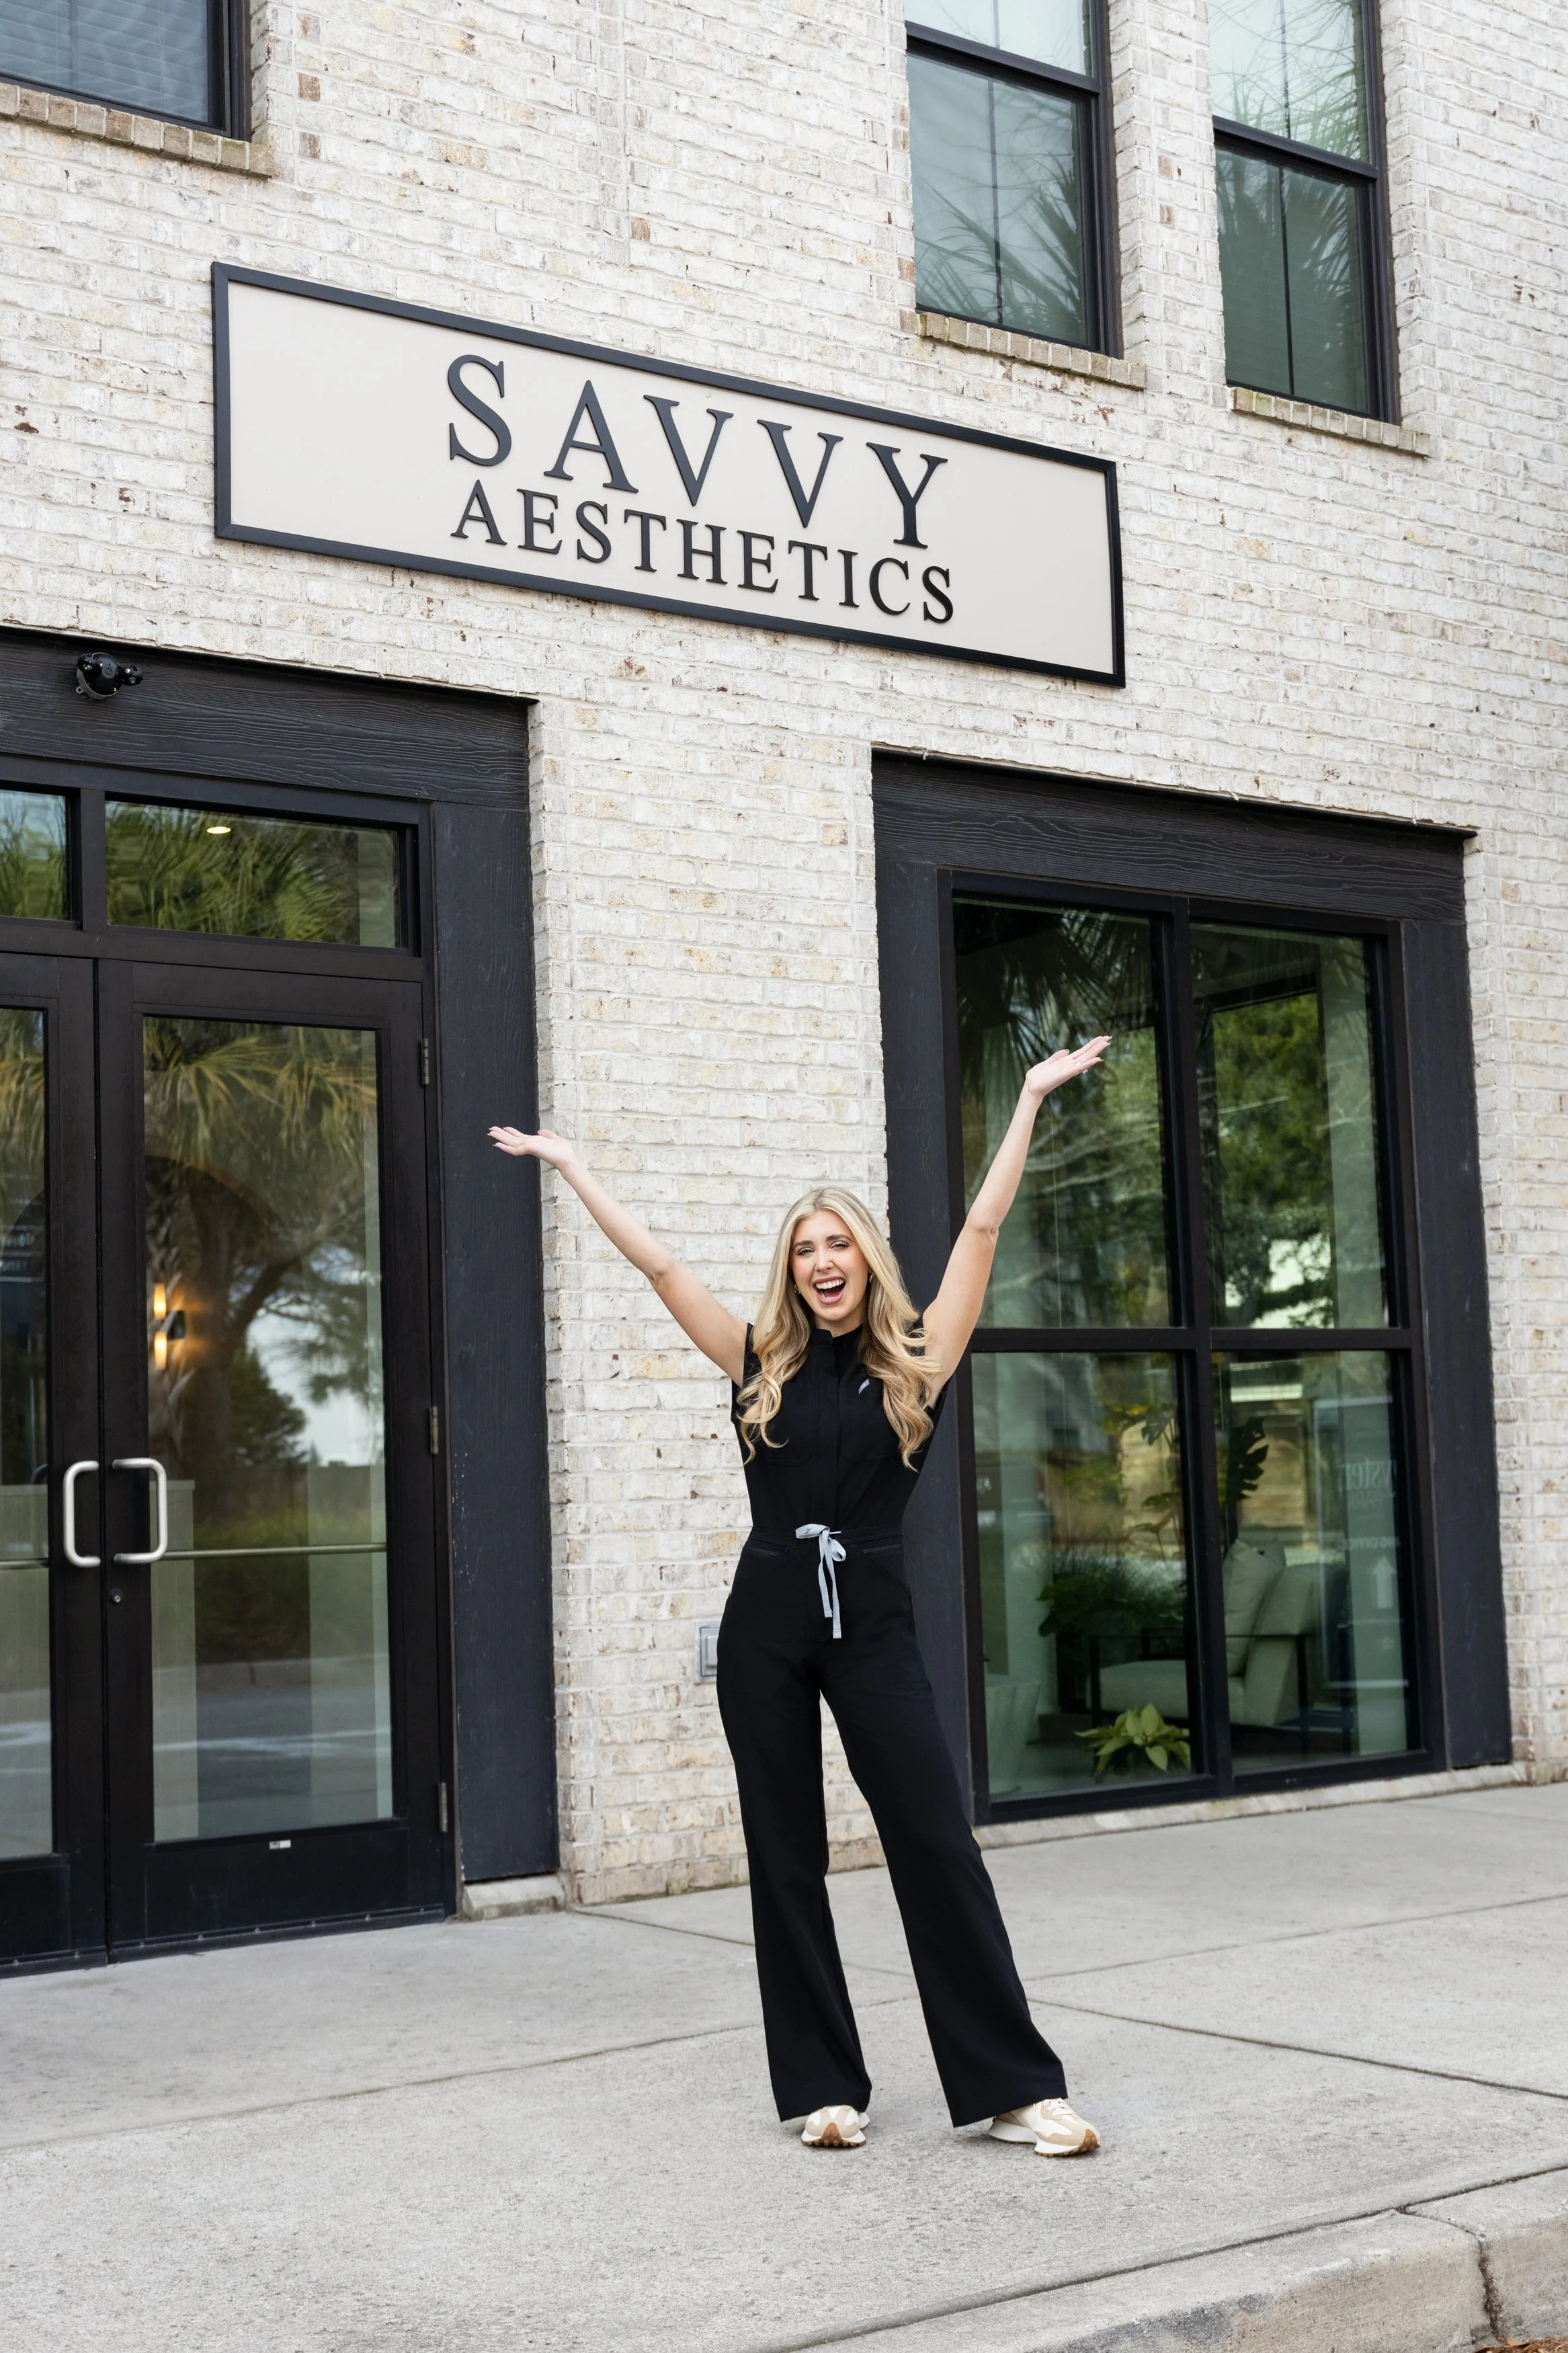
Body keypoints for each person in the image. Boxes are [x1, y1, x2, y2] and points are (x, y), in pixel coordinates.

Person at [490, 1029, 1110, 2155]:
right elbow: (663, 1269)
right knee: (784, 1854)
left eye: (839, 1245)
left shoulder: (919, 1358)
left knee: (933, 1840)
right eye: (805, 1248)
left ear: (866, 1260)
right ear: (792, 1269)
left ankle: (1017, 2086)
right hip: (769, 1621)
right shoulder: (755, 1364)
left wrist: (1025, 1098)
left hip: (870, 1622)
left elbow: (980, 1229)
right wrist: (575, 1166)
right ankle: (825, 2087)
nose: (823, 1260)